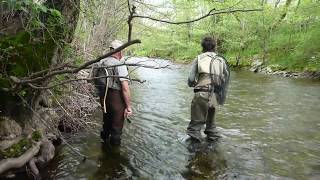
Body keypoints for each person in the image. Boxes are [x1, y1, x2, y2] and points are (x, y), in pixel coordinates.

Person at [187, 37, 230, 142]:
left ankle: (195, 152)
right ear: (215, 47)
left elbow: (191, 79)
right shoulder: (221, 60)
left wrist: (192, 84)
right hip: (215, 96)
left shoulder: (199, 58)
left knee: (194, 128)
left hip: (201, 94)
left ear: (202, 47)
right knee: (211, 128)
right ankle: (213, 149)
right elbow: (226, 78)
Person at [93, 40, 133, 145]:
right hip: (116, 101)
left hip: (104, 99)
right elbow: (125, 88)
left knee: (106, 124)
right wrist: (128, 107)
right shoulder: (120, 64)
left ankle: (104, 145)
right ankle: (114, 154)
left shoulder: (101, 62)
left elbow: (93, 79)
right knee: (116, 129)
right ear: (119, 51)